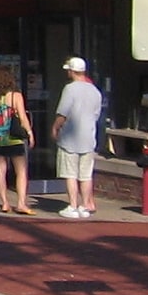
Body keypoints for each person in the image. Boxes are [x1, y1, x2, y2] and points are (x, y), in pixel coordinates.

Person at [52, 56, 105, 219]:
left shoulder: (70, 89)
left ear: (71, 71)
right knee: (86, 175)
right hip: (88, 138)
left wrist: (55, 127)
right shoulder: (95, 91)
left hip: (70, 138)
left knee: (70, 174)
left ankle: (73, 205)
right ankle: (85, 205)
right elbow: (96, 115)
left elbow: (63, 113)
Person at [0, 65, 35, 215]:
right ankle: (21, 203)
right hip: (14, 137)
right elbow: (23, 117)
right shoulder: (16, 96)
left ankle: (5, 203)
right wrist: (30, 132)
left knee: (0, 170)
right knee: (21, 170)